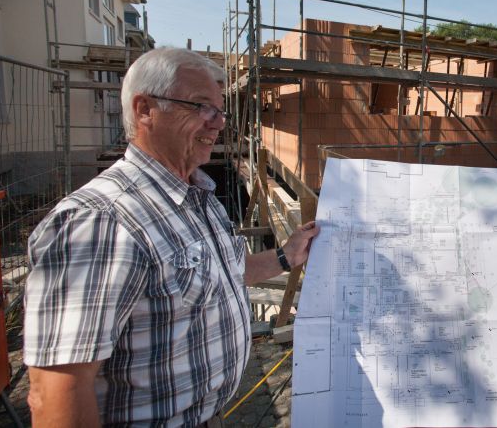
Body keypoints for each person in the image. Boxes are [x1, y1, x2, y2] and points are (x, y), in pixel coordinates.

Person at [23, 47, 319, 426]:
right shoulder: (102, 222)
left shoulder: (197, 195)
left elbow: (218, 275)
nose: (218, 123)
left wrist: (285, 256)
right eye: (200, 107)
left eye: (220, 110)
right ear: (144, 109)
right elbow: (57, 395)